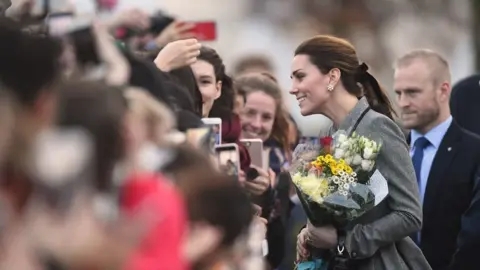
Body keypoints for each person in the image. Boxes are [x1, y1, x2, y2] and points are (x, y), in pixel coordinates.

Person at [290, 35, 429, 270]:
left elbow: (409, 214)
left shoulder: (378, 127)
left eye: (300, 76)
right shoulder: (329, 131)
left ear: (332, 77)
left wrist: (344, 242)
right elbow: (335, 208)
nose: (293, 88)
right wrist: (310, 232)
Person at [393, 49, 480, 270]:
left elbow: (473, 239)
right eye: (398, 93)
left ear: (443, 91)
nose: (403, 102)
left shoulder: (474, 153)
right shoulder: (389, 154)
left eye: (412, 92)